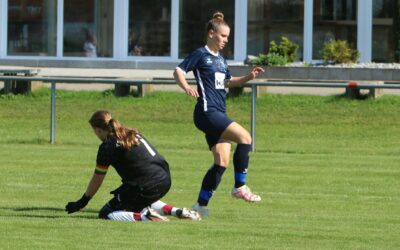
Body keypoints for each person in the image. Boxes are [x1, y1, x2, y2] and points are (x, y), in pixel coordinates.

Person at [173, 11, 264, 218]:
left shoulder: (221, 60)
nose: (225, 40)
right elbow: (178, 71)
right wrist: (186, 86)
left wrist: (249, 77)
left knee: (221, 161)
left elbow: (227, 83)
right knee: (246, 138)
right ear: (212, 33)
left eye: (227, 37)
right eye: (223, 36)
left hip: (217, 113)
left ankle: (200, 206)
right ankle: (240, 187)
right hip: (207, 112)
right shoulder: (200, 54)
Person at [65, 110, 200, 222]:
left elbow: (97, 179)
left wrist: (83, 201)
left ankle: (145, 217)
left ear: (98, 130)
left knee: (106, 213)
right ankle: (178, 211)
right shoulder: (131, 132)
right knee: (139, 198)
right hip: (164, 179)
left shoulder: (107, 146)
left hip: (146, 184)